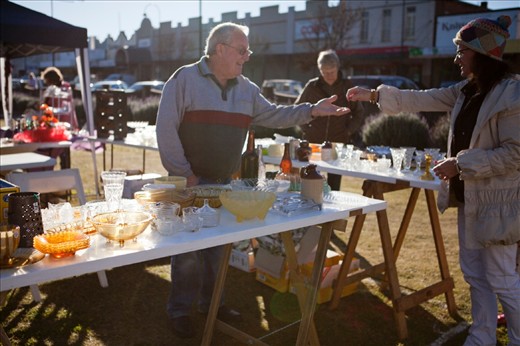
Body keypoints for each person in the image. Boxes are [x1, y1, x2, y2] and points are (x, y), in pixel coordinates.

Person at [156, 22, 351, 339]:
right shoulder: (184, 80)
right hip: (189, 181)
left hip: (224, 184)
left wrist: (313, 110)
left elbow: (276, 114)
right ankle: (179, 311)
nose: (247, 56)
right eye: (242, 50)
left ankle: (211, 305)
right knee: (187, 252)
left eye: (248, 51)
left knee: (218, 251)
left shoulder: (246, 89)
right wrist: (185, 174)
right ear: (220, 49)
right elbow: (165, 131)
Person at [346, 16, 519, 346]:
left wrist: (461, 163)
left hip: (500, 204)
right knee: (475, 274)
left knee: (502, 278)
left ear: (482, 54)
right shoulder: (466, 91)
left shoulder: (512, 95)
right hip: (471, 198)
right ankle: (482, 336)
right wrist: (373, 96)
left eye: (462, 51)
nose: (456, 59)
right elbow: (420, 98)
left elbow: (515, 154)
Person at [295, 49, 364, 190]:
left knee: (334, 188)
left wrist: (348, 131)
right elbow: (297, 109)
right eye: (325, 72)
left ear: (338, 68)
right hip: (313, 143)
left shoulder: (347, 86)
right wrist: (306, 130)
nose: (329, 76)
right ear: (319, 70)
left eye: (332, 72)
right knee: (310, 184)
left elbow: (359, 112)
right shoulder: (312, 86)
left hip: (338, 142)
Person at [41, 66, 78, 130]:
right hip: (55, 118)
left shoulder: (65, 87)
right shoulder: (51, 89)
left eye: (47, 80)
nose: (46, 83)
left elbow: (66, 103)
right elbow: (46, 103)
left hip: (65, 119)